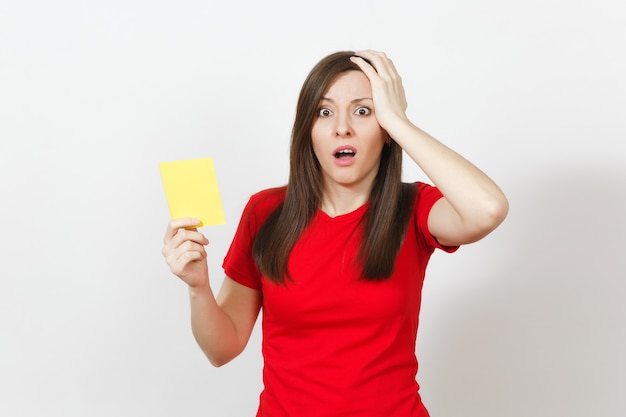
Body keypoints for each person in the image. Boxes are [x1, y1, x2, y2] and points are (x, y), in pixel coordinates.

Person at [162, 49, 509, 417]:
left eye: (363, 111)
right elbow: (222, 349)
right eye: (324, 112)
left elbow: (487, 209)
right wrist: (197, 286)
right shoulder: (265, 212)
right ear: (307, 130)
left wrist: (399, 121)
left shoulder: (414, 209)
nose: (342, 127)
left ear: (386, 132)